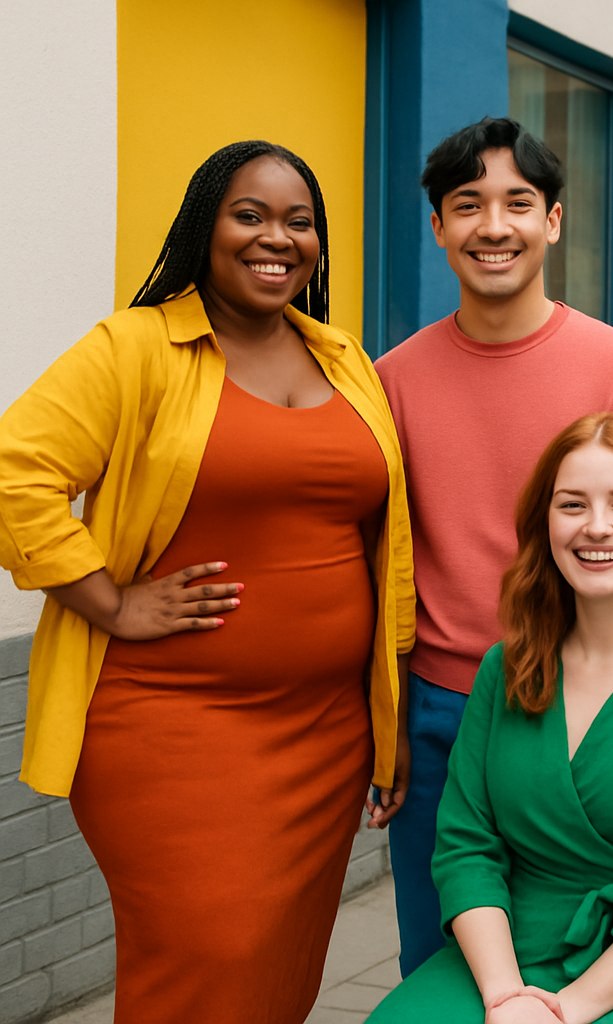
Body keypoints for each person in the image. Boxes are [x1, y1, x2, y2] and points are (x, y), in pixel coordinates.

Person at [0, 141, 415, 1024]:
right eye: (249, 215)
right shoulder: (136, 347)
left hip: (326, 732)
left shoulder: (343, 358)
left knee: (276, 971)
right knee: (206, 961)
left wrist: (390, 716)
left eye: (299, 222)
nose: (277, 238)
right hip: (169, 723)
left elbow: (387, 543)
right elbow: (14, 474)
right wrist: (108, 600)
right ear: (205, 228)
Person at [373, 117, 613, 976]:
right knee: (440, 959)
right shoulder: (392, 380)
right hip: (441, 709)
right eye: (468, 205)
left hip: (590, 704)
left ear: (553, 220)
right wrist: (390, 717)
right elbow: (382, 559)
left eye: (517, 202)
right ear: (438, 226)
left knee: (586, 950)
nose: (494, 226)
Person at [367, 412, 613, 1024]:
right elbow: (467, 847)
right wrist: (505, 995)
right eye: (573, 505)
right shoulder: (507, 666)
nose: (597, 526)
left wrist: (565, 1012)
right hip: (510, 952)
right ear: (547, 522)